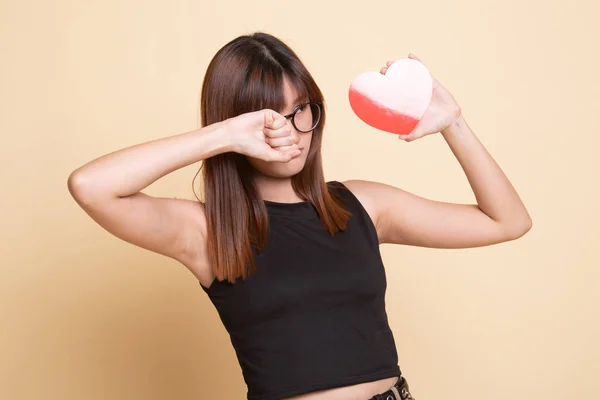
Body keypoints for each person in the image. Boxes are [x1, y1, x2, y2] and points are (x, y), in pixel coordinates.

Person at [67, 32, 532, 400]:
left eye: (300, 112)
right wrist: (221, 136)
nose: (291, 133)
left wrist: (453, 122)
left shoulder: (363, 205)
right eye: (267, 119)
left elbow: (507, 221)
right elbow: (91, 187)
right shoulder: (208, 232)